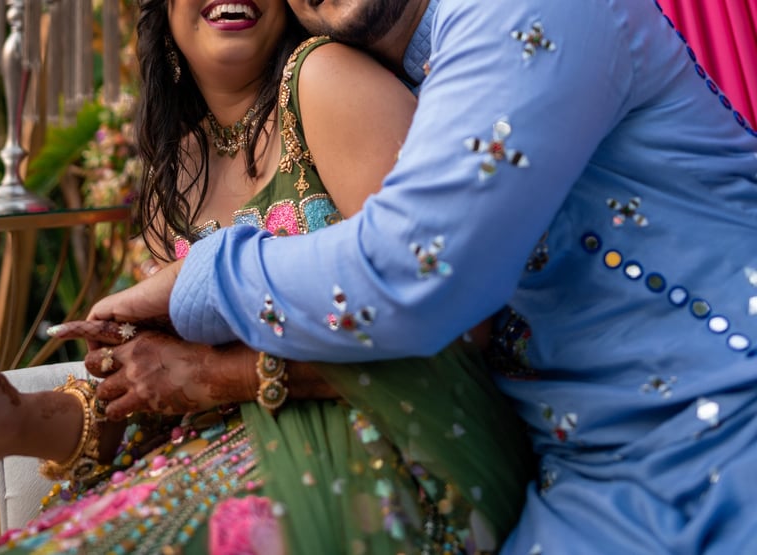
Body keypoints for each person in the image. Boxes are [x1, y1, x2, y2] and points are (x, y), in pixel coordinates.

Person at [81, 0, 757, 553]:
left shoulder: (526, 12)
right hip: (590, 491)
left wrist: (200, 282)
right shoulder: (413, 83)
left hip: (731, 433)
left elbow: (417, 273)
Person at [0, 0, 532, 553]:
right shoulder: (174, 175)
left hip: (398, 449)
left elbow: (458, 321)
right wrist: (22, 419)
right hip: (220, 452)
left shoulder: (323, 78)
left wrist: (233, 374)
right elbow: (166, 387)